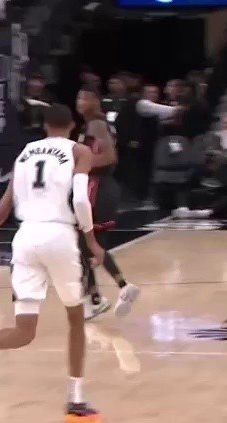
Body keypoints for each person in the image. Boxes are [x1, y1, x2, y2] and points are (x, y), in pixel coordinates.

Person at [0, 104, 105, 423]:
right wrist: (91, 240)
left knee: (24, 330)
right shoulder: (79, 151)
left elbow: (1, 210)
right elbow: (80, 200)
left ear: (45, 125)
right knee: (76, 320)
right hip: (59, 236)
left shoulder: (24, 154)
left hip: (25, 239)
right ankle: (76, 402)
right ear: (73, 126)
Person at [75, 86, 141, 319]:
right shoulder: (93, 125)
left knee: (87, 241)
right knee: (85, 244)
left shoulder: (96, 124)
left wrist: (80, 165)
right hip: (97, 186)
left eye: (85, 97)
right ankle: (98, 297)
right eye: (78, 97)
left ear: (95, 101)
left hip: (99, 186)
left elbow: (110, 156)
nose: (80, 102)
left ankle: (118, 288)